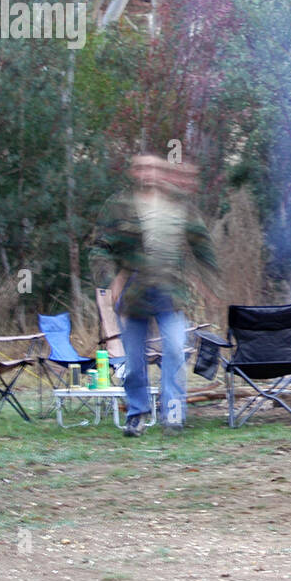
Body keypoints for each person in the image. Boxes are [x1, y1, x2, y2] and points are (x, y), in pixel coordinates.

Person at [94, 154, 220, 436]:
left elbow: (201, 244)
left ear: (161, 172)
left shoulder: (178, 205)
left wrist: (209, 283)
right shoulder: (120, 206)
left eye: (152, 167)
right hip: (133, 293)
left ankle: (173, 412)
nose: (148, 173)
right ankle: (137, 414)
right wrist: (109, 280)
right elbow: (101, 246)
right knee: (135, 361)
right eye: (141, 168)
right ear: (134, 172)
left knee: (175, 349)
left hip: (170, 292)